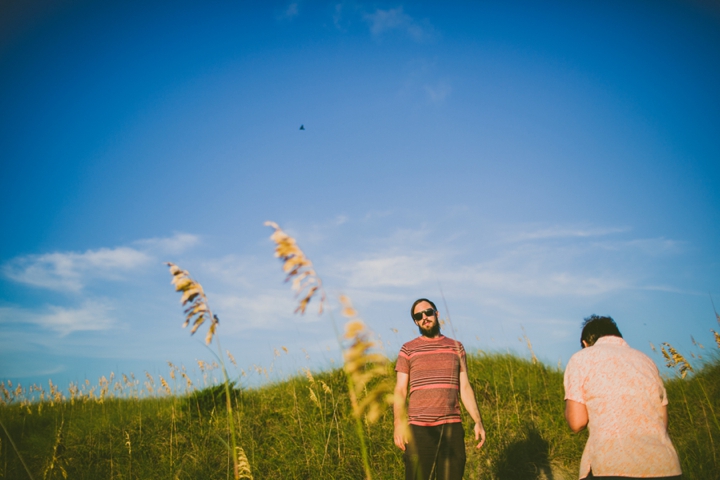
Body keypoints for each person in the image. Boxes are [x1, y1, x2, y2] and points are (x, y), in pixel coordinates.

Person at [564, 315, 682, 480]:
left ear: (585, 343)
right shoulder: (646, 361)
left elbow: (577, 422)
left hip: (612, 467)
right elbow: (662, 422)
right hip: (666, 467)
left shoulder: (581, 358)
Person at [394, 298, 486, 480]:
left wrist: (478, 420)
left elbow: (465, 387)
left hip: (451, 428)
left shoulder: (456, 347)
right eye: (418, 316)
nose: (424, 318)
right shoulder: (408, 349)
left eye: (428, 312)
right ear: (415, 321)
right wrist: (398, 424)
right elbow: (400, 390)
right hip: (418, 429)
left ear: (437, 314)